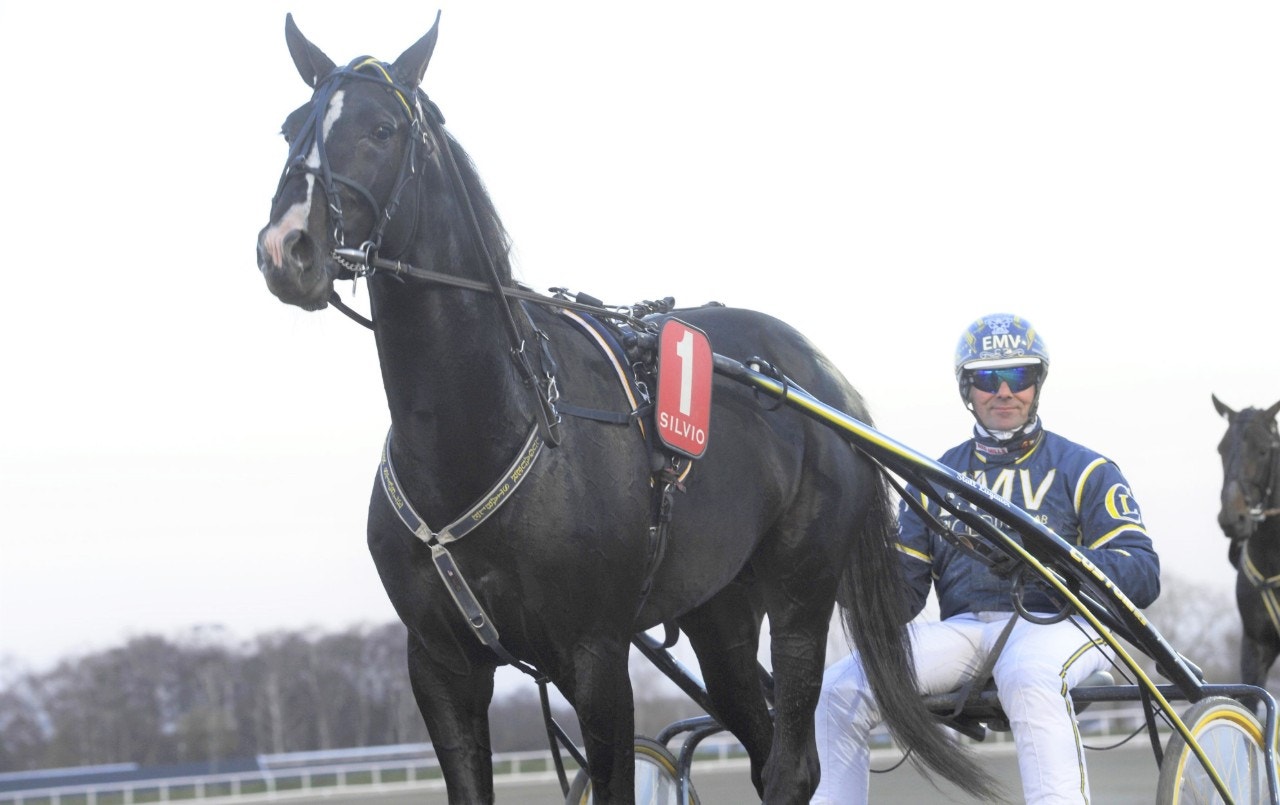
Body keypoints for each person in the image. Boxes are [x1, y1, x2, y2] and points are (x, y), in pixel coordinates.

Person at [812, 313, 1160, 804]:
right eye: (987, 379)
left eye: (1018, 375)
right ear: (966, 389)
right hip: (967, 630)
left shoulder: (1087, 469)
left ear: (1037, 383)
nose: (1004, 391)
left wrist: (1048, 559)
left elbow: (1143, 574)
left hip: (1066, 624)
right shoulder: (934, 478)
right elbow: (903, 598)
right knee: (838, 690)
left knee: (1027, 673)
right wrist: (839, 570)